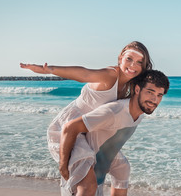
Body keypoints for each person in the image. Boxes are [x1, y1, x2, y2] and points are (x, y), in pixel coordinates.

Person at [20, 41, 152, 196]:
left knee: (122, 168)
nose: (133, 65)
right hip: (68, 127)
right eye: (129, 59)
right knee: (88, 185)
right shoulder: (111, 75)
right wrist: (49, 70)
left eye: (139, 62)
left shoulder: (131, 85)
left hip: (89, 131)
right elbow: (84, 73)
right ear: (120, 58)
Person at [60, 70, 169, 196]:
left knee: (123, 169)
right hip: (83, 179)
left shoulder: (139, 114)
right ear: (137, 90)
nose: (154, 99)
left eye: (159, 95)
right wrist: (63, 167)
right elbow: (70, 127)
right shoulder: (114, 111)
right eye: (150, 92)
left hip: (98, 177)